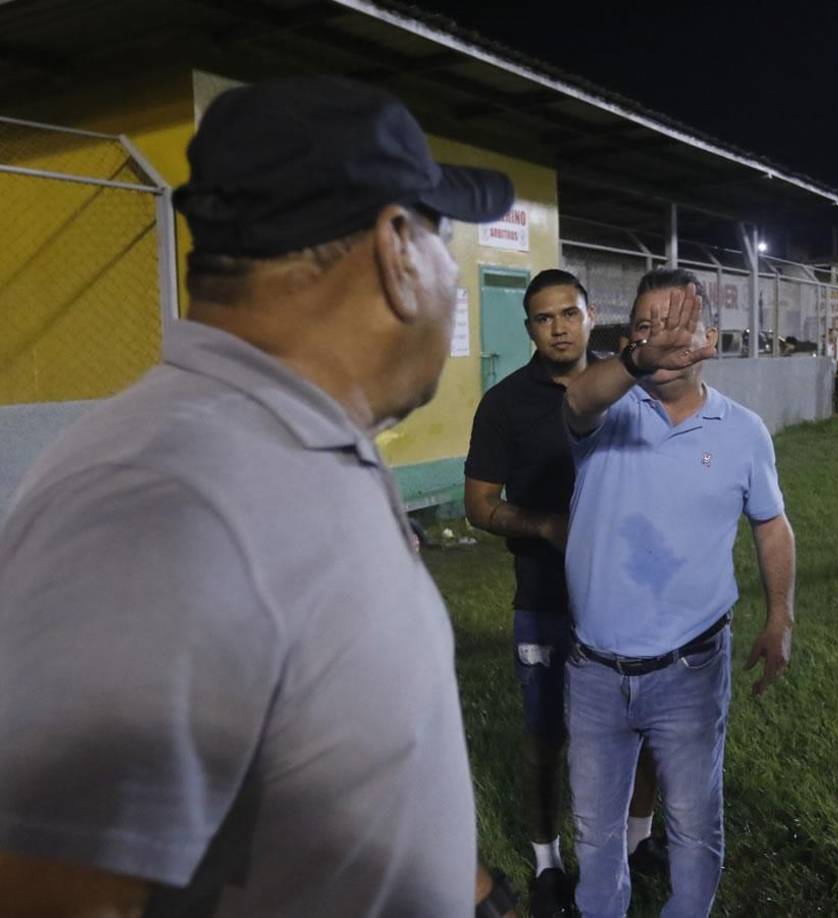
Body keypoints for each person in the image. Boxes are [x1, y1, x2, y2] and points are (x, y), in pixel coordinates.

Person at [0, 76, 519, 917]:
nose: (450, 277)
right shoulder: (167, 500)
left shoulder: (287, 450)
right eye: (442, 234)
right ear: (396, 248)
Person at [561, 268, 796, 917]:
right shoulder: (608, 413)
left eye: (676, 326)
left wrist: (780, 615)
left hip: (690, 672)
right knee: (596, 833)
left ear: (707, 339)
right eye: (644, 329)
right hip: (594, 673)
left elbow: (772, 524)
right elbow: (577, 400)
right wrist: (636, 361)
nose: (661, 339)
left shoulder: (743, 431)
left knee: (694, 827)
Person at [464, 269, 663, 917]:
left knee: (641, 729)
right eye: (543, 318)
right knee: (544, 735)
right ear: (529, 329)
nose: (558, 327)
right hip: (545, 598)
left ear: (589, 315)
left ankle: (638, 843)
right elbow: (480, 505)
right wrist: (546, 525)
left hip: (627, 598)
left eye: (568, 314)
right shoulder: (505, 405)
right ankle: (549, 864)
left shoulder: (627, 388)